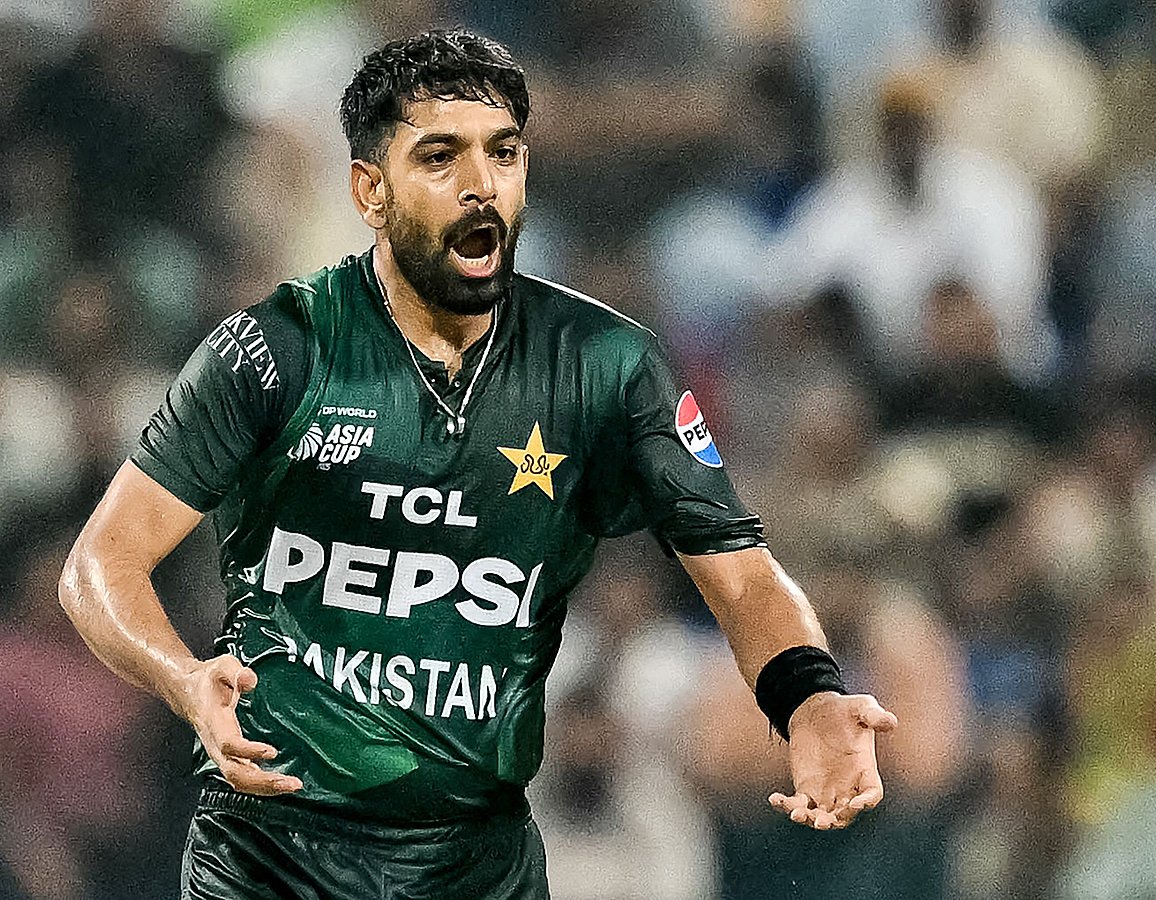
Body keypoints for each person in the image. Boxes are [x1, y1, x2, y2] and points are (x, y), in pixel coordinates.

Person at [58, 29, 897, 899]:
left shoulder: (605, 368)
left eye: (503, 153)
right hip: (272, 852)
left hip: (474, 861)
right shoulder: (277, 351)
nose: (480, 185)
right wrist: (184, 678)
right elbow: (98, 566)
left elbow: (743, 574)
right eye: (439, 157)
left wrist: (809, 694)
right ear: (370, 192)